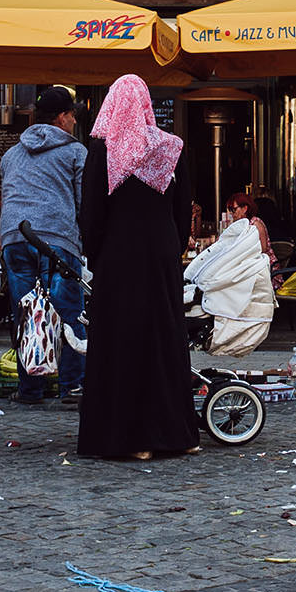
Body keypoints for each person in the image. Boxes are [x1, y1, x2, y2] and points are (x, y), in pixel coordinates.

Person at [77, 74, 199, 461]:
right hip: (160, 254)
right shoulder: (170, 150)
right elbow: (184, 212)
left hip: (118, 256)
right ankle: (177, 434)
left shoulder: (104, 150)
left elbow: (92, 213)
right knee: (164, 341)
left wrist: (95, 257)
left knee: (121, 343)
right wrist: (172, 250)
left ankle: (130, 439)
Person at [0, 87, 90, 406]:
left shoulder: (11, 155)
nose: (75, 121)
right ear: (62, 117)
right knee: (68, 312)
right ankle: (73, 386)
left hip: (14, 237)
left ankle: (31, 389)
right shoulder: (76, 151)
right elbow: (84, 202)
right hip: (56, 238)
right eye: (73, 115)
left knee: (26, 313)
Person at [226, 193, 273, 259]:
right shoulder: (239, 224)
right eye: (230, 210)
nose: (231, 213)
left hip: (263, 264)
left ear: (245, 209)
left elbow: (263, 249)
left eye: (234, 209)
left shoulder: (255, 224)